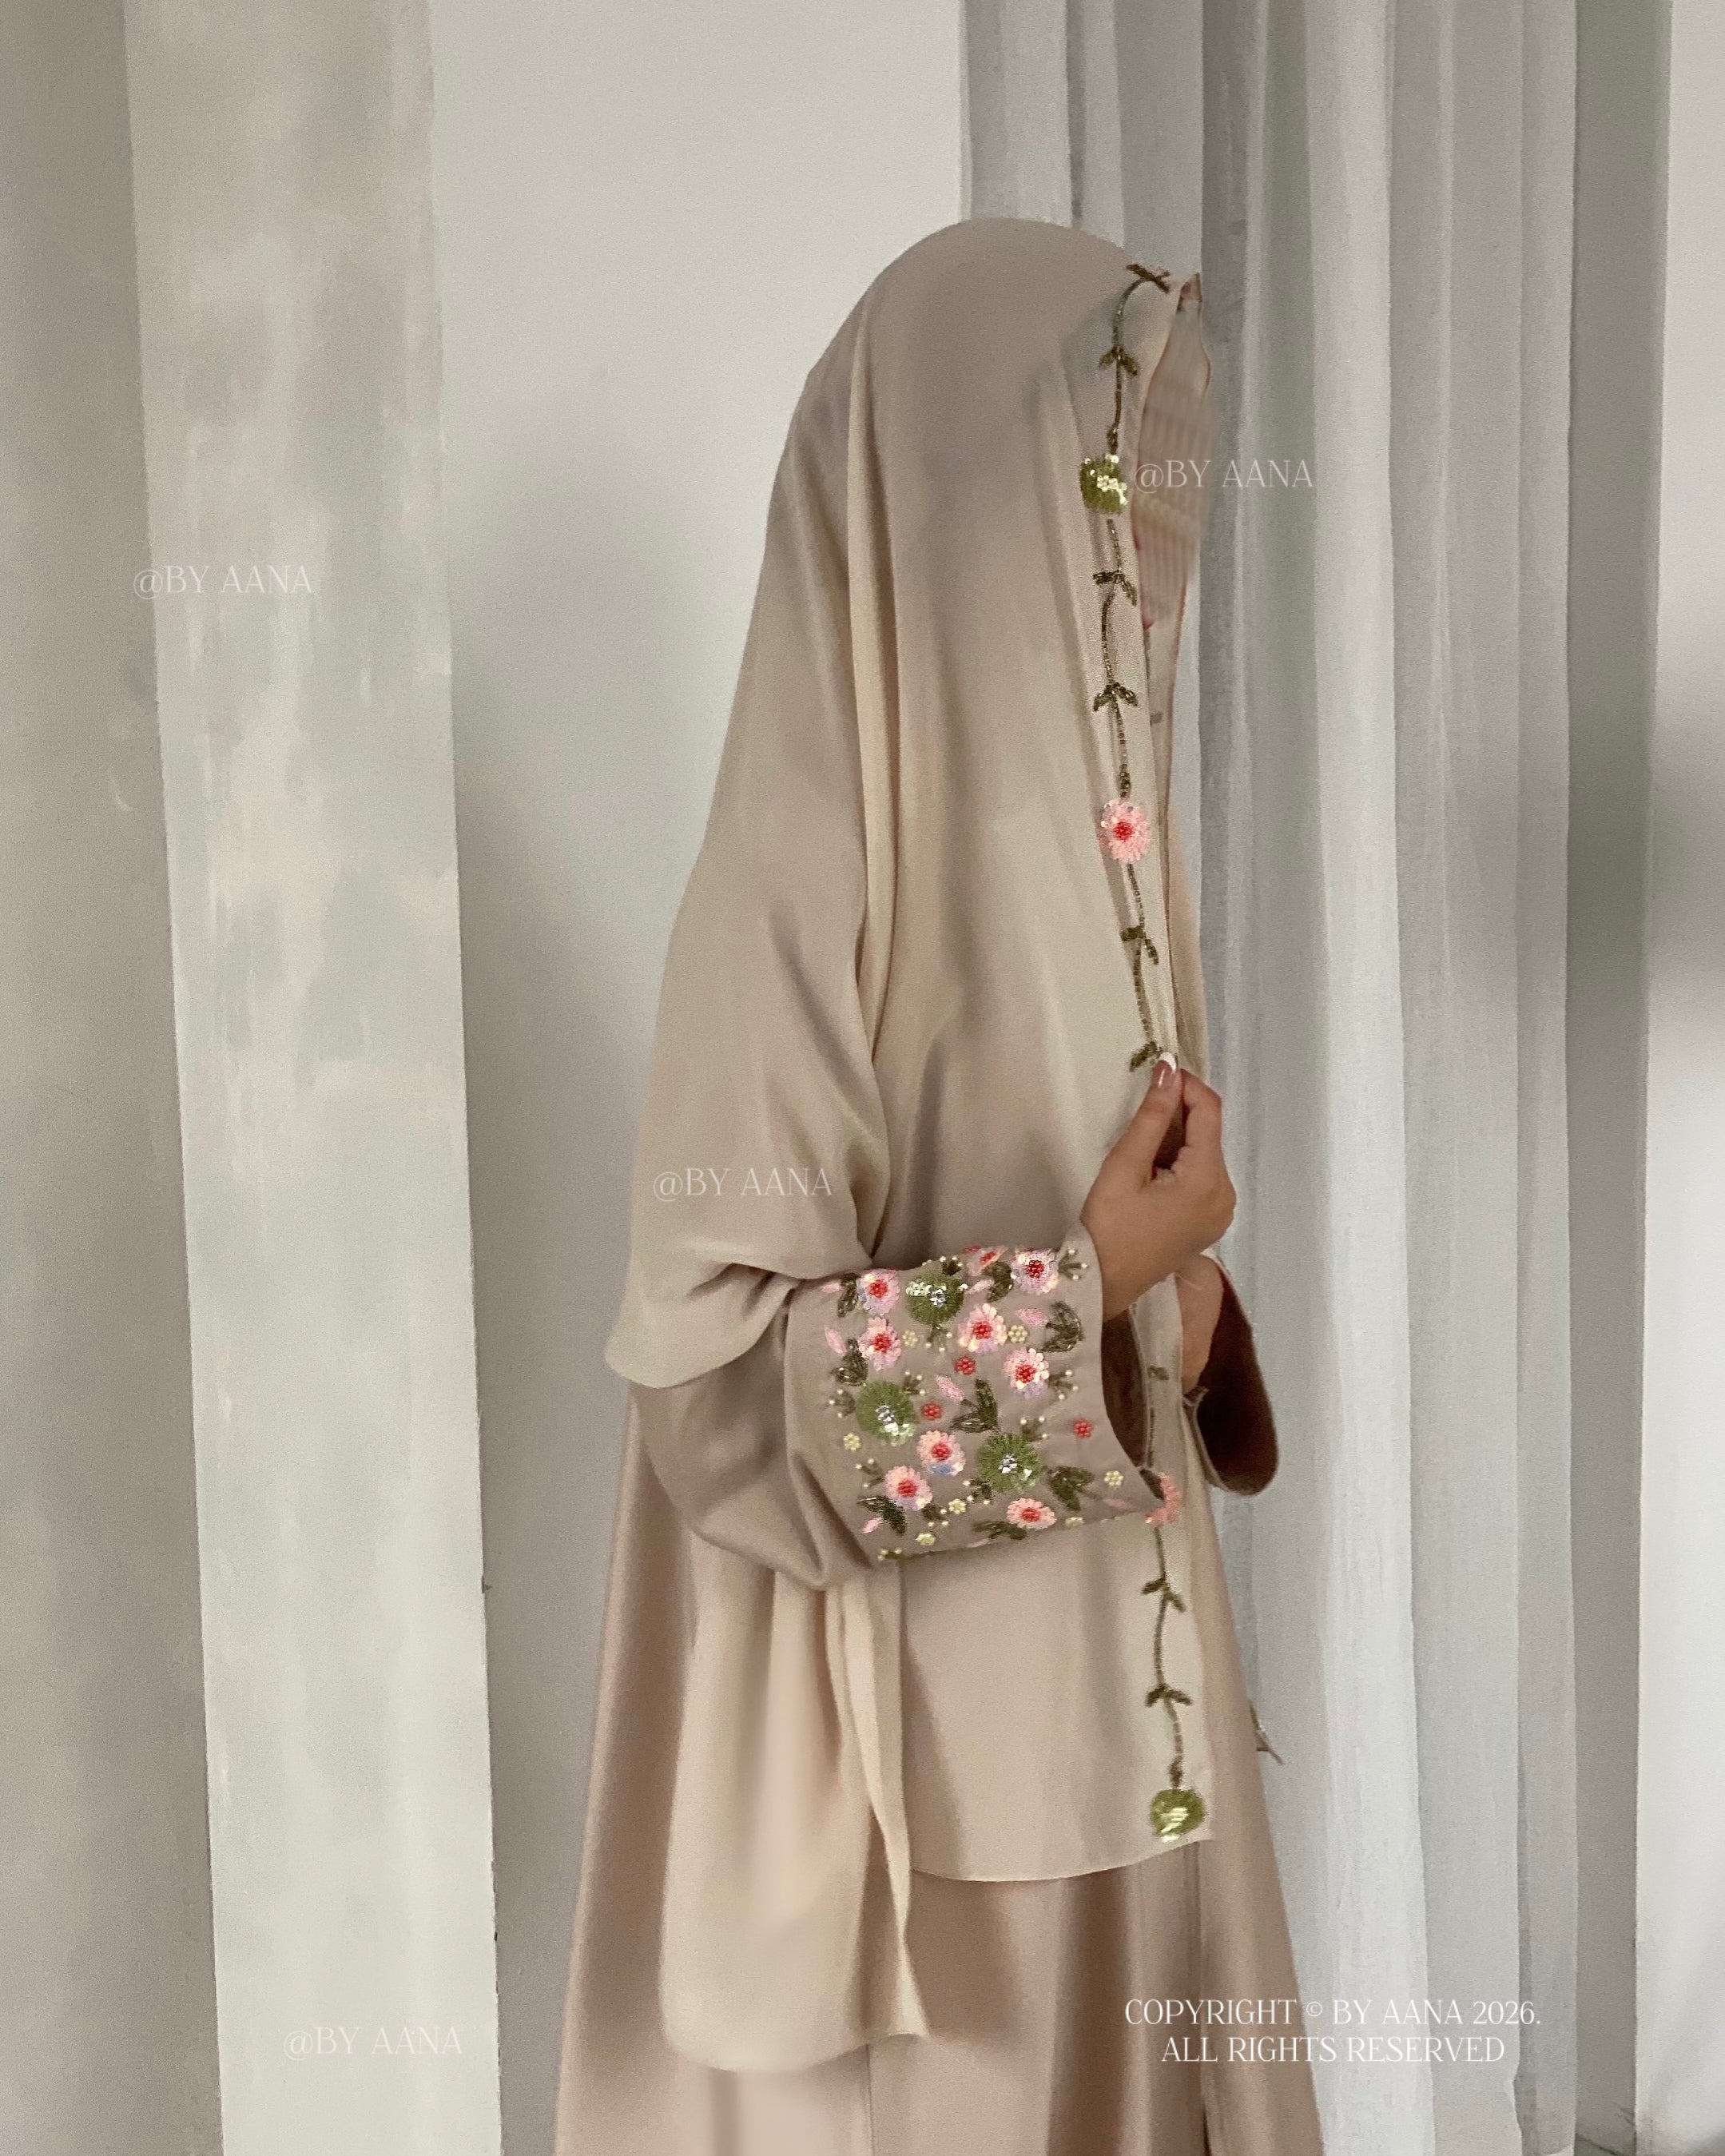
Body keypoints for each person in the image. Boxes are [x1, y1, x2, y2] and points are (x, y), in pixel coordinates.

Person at [553, 216, 1323, 2156]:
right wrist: (1090, 1283)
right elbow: (716, 1399)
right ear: (928, 517)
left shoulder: (1084, 857)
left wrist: (1175, 1299)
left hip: (1128, 1725)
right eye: (1072, 510)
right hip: (937, 1813)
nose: (1117, 578)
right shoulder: (794, 890)